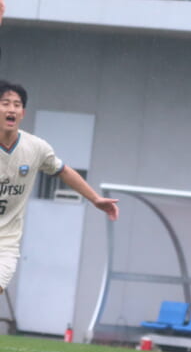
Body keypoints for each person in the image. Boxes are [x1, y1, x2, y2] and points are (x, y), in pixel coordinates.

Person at [0, 80, 119, 296]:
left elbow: (63, 171)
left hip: (5, 243)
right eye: (5, 103)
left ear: (23, 113)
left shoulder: (36, 148)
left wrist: (95, 199)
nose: (11, 109)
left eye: (17, 105)